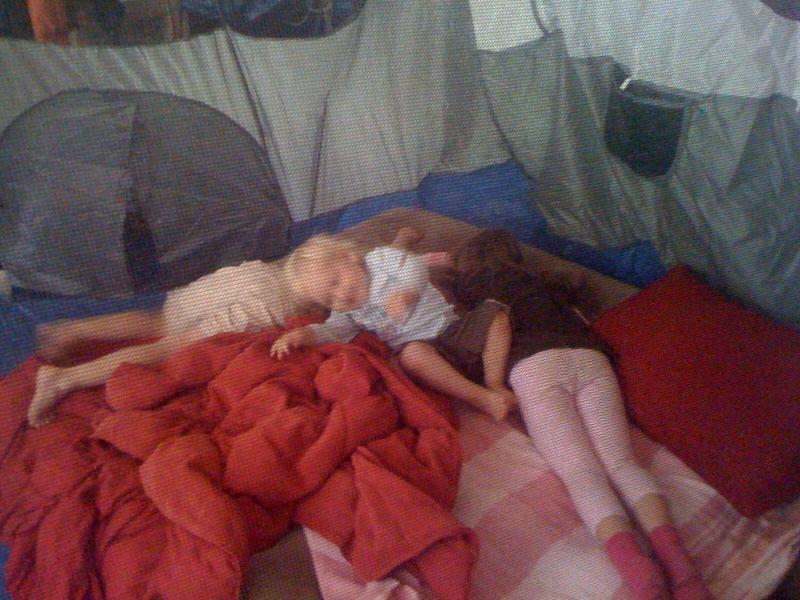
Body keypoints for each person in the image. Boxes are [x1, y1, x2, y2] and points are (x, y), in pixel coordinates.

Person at [448, 229, 712, 600]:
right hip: (590, 358)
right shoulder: (547, 283)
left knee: (581, 474)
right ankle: (683, 573)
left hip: (536, 366)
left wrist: (492, 383)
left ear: (469, 262)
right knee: (622, 463)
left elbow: (492, 320)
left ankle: (642, 576)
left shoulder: (478, 282)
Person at [27, 228, 426, 427]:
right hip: (261, 302)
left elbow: (375, 260)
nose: (344, 294)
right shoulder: (356, 271)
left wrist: (402, 240)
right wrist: (403, 242)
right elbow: (380, 267)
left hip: (245, 278)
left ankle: (73, 329)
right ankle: (63, 379)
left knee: (160, 319)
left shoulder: (325, 253)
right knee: (170, 346)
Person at [270, 233, 517, 422]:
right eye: (329, 299)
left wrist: (408, 293)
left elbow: (414, 267)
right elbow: (336, 330)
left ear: (348, 257)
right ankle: (480, 397)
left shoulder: (379, 259)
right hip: (426, 351)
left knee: (495, 313)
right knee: (411, 356)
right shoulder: (347, 311)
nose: (341, 295)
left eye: (336, 281)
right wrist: (308, 333)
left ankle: (494, 383)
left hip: (453, 328)